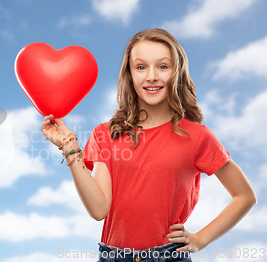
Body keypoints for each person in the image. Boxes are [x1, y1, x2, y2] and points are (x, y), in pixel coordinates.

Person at [40, 28, 257, 262]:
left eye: (163, 66)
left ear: (177, 72)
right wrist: (68, 146)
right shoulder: (106, 133)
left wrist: (201, 239)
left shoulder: (197, 136)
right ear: (130, 74)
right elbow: (99, 209)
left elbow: (244, 196)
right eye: (141, 67)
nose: (151, 76)